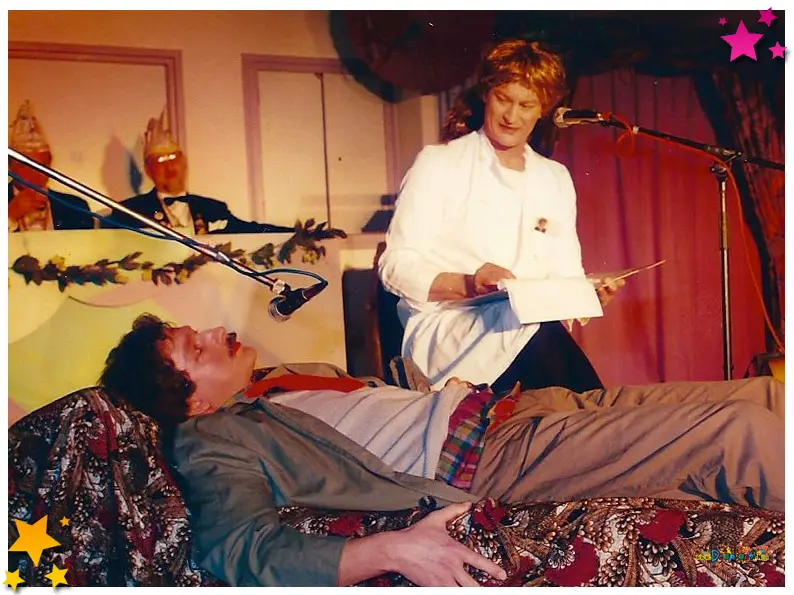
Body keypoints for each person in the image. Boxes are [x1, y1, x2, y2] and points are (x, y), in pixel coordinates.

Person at [99, 314, 784, 587]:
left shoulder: (276, 382)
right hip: (492, 456)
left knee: (764, 394)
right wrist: (390, 550)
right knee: (736, 436)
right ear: (192, 400)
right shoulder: (207, 440)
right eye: (195, 347)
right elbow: (238, 549)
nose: (216, 330)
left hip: (510, 405)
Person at [378, 39, 621, 394]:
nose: (511, 116)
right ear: (486, 95)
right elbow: (395, 266)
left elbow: (564, 274)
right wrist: (470, 283)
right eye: (504, 99)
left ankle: (594, 414)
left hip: (530, 332)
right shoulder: (439, 163)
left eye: (526, 105)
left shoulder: (554, 178)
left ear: (544, 109)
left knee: (536, 332)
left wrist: (586, 295)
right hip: (452, 329)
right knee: (559, 369)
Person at [103, 111, 294, 235]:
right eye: (160, 161)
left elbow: (249, 231)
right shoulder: (128, 212)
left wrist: (296, 234)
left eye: (174, 158)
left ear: (184, 163)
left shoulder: (214, 208)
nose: (170, 167)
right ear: (148, 170)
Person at [8, 100, 94, 232]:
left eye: (40, 166)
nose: (34, 174)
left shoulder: (76, 208)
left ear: (49, 165)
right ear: (10, 166)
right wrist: (10, 215)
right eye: (25, 165)